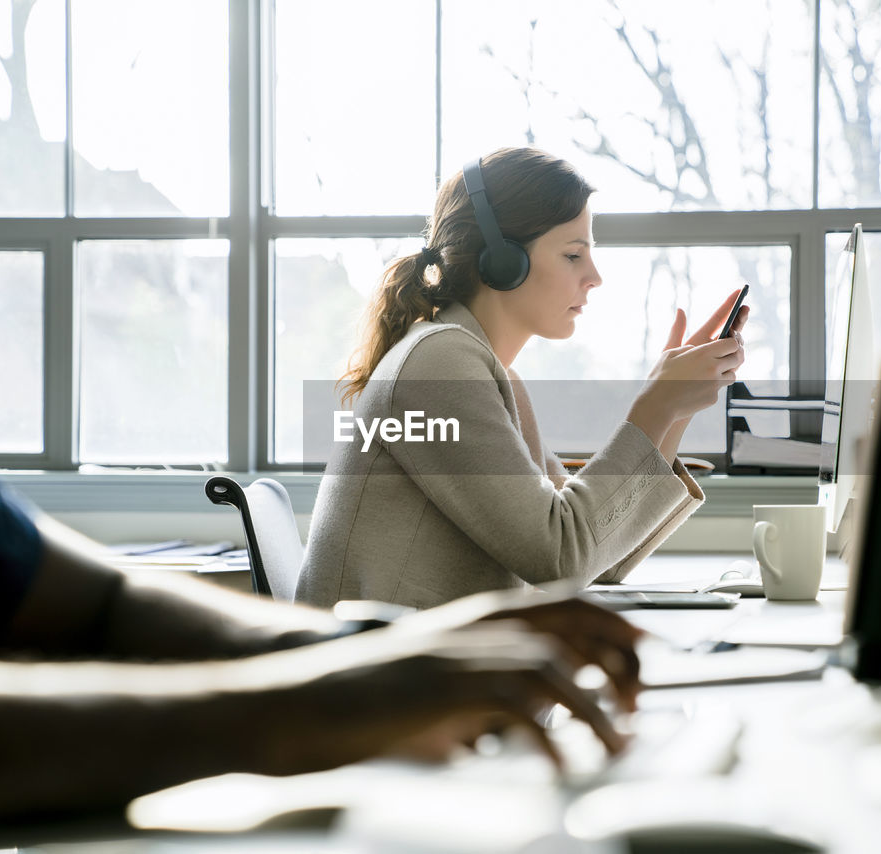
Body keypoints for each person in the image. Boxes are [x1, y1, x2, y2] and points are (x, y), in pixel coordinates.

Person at [0, 0, 644, 840]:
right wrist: (300, 706)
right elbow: (558, 548)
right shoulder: (444, 361)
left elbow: (106, 602)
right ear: (506, 256)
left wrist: (369, 659)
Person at [297, 147, 749, 609]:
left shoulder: (490, 375)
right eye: (573, 255)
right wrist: (657, 406)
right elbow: (561, 558)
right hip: (385, 672)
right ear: (502, 261)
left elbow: (598, 554)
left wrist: (675, 408)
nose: (594, 276)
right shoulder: (439, 364)